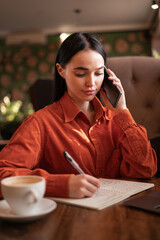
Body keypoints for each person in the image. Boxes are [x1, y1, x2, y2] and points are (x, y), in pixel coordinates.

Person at [0, 32, 157, 199]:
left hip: (117, 215)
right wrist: (61, 185)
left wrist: (122, 112)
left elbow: (146, 169)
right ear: (61, 70)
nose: (91, 83)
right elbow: (3, 174)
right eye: (81, 73)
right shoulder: (40, 123)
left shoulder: (116, 120)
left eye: (98, 73)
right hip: (65, 218)